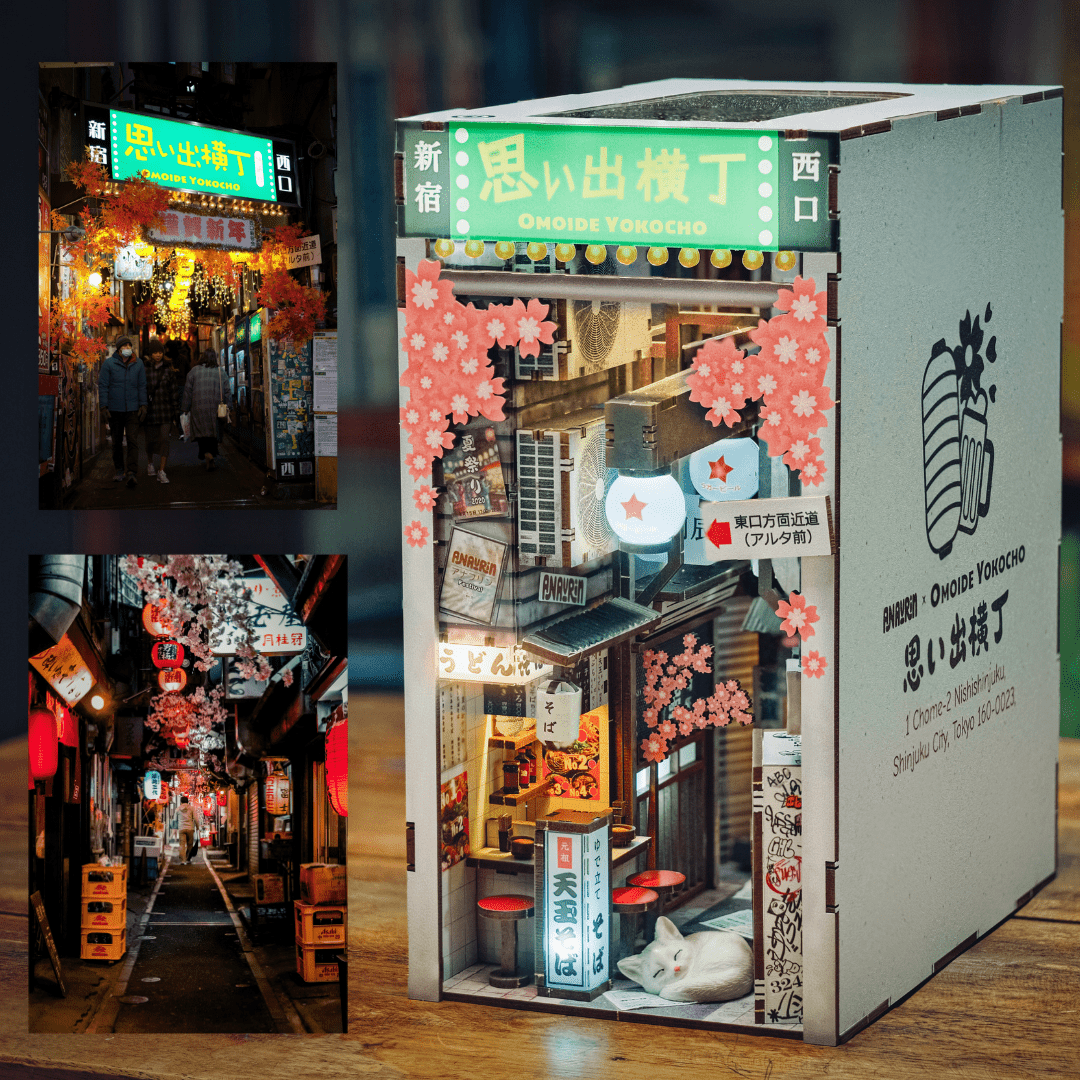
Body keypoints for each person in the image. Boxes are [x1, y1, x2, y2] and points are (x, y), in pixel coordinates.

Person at [97, 335, 146, 487]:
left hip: (132, 409)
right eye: (124, 347)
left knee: (132, 440)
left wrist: (143, 405)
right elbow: (103, 385)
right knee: (116, 441)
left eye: (129, 346)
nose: (127, 349)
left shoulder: (138, 364)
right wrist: (103, 407)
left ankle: (132, 472)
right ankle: (119, 469)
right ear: (118, 349)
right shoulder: (109, 364)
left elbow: (142, 386)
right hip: (114, 410)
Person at [182, 348, 231, 471]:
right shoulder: (221, 372)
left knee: (201, 433)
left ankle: (206, 454)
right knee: (213, 432)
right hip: (216, 408)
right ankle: (212, 454)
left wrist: (185, 408)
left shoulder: (193, 371)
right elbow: (227, 391)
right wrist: (229, 406)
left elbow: (187, 391)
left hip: (198, 408)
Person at [142, 337, 179, 484]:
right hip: (150, 411)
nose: (158, 355)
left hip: (165, 411)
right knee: (150, 441)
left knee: (164, 440)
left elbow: (174, 392)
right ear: (150, 354)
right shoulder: (144, 369)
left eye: (160, 352)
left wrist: (176, 412)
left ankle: (161, 471)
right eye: (155, 352)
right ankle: (150, 463)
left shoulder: (168, 370)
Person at [176, 796, 203, 864]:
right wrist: (197, 827)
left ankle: (183, 860)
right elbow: (196, 819)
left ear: (181, 802)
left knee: (182, 845)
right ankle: (188, 858)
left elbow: (175, 820)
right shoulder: (191, 808)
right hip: (190, 828)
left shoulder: (178, 809)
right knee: (190, 844)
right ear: (187, 801)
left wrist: (177, 828)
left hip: (181, 828)